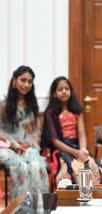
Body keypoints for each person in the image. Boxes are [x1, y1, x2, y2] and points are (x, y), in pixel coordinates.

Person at [40, 76, 102, 185]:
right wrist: (75, 153)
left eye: (67, 89)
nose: (64, 92)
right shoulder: (50, 113)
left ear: (71, 91)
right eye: (60, 89)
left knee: (95, 167)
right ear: (54, 93)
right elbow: (54, 141)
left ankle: (90, 198)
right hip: (61, 149)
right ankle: (70, 199)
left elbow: (81, 134)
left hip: (77, 147)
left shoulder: (76, 111)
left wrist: (83, 149)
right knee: (69, 168)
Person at [0, 66, 48, 200]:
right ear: (14, 81)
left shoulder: (32, 104)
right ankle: (20, 208)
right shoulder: (3, 104)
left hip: (25, 144)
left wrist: (27, 143)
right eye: (23, 80)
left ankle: (38, 207)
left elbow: (36, 131)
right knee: (21, 165)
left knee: (35, 164)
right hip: (6, 145)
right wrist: (13, 145)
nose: (26, 84)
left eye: (29, 81)